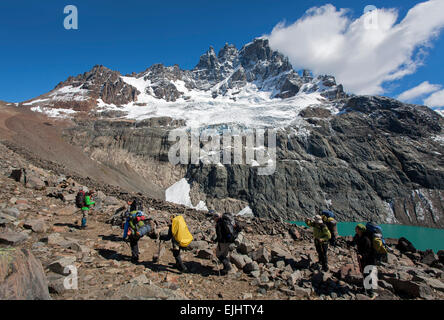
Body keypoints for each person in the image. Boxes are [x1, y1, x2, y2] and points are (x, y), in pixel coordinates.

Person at [347, 223, 378, 298]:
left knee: (367, 274)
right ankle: (365, 289)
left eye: (357, 228)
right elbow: (354, 242)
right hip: (362, 258)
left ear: (360, 230)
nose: (355, 229)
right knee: (364, 273)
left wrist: (362, 255)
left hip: (369, 259)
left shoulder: (366, 239)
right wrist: (349, 243)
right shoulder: (357, 236)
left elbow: (369, 250)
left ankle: (370, 293)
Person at [122, 198, 155, 264]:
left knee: (133, 242)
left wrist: (124, 236)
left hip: (134, 231)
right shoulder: (140, 213)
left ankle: (135, 256)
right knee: (135, 241)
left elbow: (126, 226)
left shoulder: (129, 215)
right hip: (141, 230)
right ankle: (136, 254)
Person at [213, 211, 242, 275]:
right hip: (228, 240)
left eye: (214, 218)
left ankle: (228, 268)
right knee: (225, 255)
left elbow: (221, 233)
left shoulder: (221, 223)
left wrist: (219, 240)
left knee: (219, 254)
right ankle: (226, 269)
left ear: (217, 217)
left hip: (224, 241)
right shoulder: (226, 221)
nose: (214, 219)